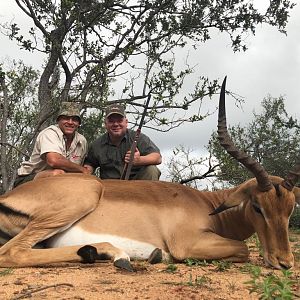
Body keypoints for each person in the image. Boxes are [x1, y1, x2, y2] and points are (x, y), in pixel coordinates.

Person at [14, 102, 90, 187]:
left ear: (79, 123)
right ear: (58, 121)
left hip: (63, 181)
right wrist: (82, 170)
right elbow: (53, 161)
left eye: (74, 119)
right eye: (65, 118)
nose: (70, 122)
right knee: (58, 173)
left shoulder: (82, 141)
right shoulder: (49, 133)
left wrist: (85, 171)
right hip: (30, 178)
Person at [84, 104, 161, 180]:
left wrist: (139, 160)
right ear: (105, 124)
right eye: (111, 121)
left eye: (119, 121)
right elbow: (90, 164)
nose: (116, 124)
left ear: (126, 122)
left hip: (137, 185)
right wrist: (87, 171)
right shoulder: (96, 145)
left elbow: (157, 158)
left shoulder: (138, 138)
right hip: (109, 186)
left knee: (152, 170)